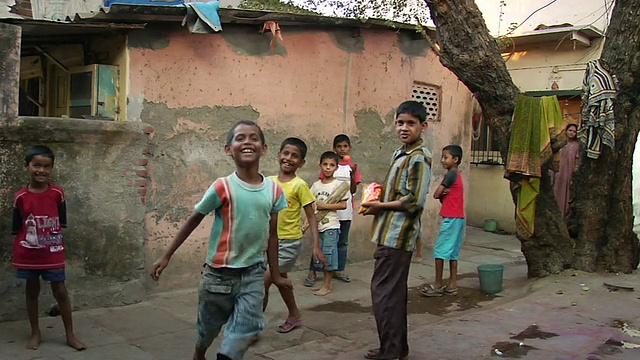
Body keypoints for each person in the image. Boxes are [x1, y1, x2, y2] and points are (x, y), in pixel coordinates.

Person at [151, 120, 293, 360]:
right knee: (208, 329)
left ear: (264, 148)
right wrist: (166, 256)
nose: (247, 142)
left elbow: (272, 235)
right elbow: (194, 219)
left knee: (248, 326)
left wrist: (276, 274)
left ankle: (227, 355)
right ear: (229, 149)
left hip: (253, 273)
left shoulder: (274, 191)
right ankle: (199, 353)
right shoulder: (223, 186)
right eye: (240, 138)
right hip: (218, 276)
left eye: (253, 138)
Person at [360, 100, 432, 360]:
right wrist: (377, 197)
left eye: (411, 123)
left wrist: (379, 206)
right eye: (400, 122)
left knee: (384, 296)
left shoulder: (419, 159)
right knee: (392, 295)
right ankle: (396, 349)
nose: (404, 128)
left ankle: (390, 353)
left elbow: (414, 201)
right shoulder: (400, 154)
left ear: (423, 126)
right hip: (388, 233)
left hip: (397, 237)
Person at [12, 145, 86, 351]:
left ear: (51, 169)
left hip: (52, 252)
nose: (41, 170)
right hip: (28, 253)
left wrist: (53, 241)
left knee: (61, 291)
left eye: (46, 166)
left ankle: (70, 335)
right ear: (27, 166)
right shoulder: (20, 197)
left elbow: (61, 222)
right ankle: (36, 332)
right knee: (32, 290)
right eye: (36, 165)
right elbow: (16, 227)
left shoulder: (57, 193)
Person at [264, 137, 326, 334]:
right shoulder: (269, 182)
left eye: (295, 156)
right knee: (280, 280)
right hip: (267, 242)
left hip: (288, 242)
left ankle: (251, 326)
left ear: (302, 162)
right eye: (286, 153)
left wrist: (316, 246)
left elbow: (312, 216)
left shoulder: (300, 185)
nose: (289, 158)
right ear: (278, 155)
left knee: (262, 282)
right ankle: (294, 314)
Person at [305, 134, 362, 286]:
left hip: (345, 210)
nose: (342, 149)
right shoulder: (330, 164)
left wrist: (352, 174)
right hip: (325, 214)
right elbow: (320, 187)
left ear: (349, 148)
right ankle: (313, 270)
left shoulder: (352, 167)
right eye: (339, 146)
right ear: (334, 148)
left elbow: (353, 190)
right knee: (320, 242)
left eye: (345, 146)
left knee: (342, 242)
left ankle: (338, 269)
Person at [420, 145, 466, 297]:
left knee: (439, 251)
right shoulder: (456, 175)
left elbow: (436, 194)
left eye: (446, 157)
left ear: (456, 159)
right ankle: (452, 284)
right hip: (458, 218)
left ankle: (438, 283)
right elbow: (443, 196)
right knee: (453, 253)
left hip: (451, 219)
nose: (443, 160)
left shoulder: (450, 175)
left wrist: (441, 194)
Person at [308, 151, 348, 296]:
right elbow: (311, 204)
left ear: (336, 167)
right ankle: (323, 283)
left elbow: (343, 205)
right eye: (325, 164)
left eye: (331, 165)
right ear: (320, 165)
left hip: (331, 225)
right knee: (320, 255)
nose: (328, 168)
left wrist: (324, 206)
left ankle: (327, 285)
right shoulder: (316, 185)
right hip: (318, 226)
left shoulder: (339, 186)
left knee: (329, 255)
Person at [554, 123, 580, 218]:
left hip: (568, 173)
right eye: (570, 130)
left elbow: (577, 161)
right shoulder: (559, 143)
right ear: (566, 131)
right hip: (557, 173)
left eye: (574, 131)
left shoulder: (577, 145)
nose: (572, 133)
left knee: (566, 195)